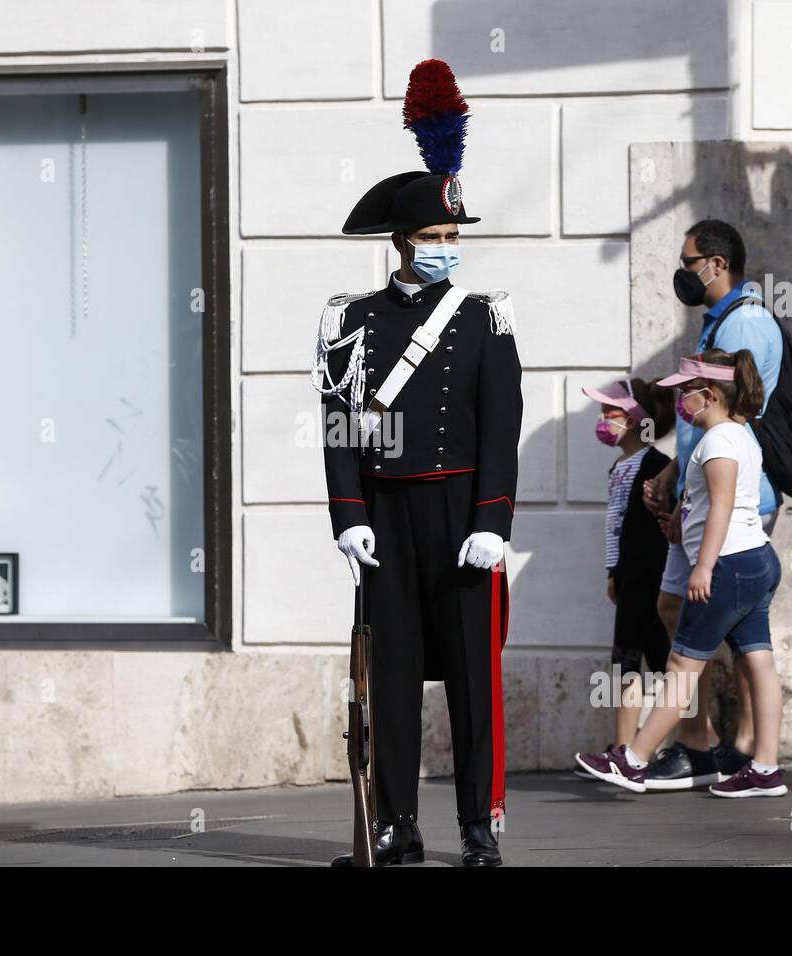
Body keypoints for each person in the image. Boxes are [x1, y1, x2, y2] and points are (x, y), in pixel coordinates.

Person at [314, 60, 523, 866]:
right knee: (393, 675)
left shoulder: (484, 321)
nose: (446, 250)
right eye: (434, 238)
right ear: (401, 243)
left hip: (463, 514)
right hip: (389, 516)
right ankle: (396, 824)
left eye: (453, 237)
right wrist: (349, 515)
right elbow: (339, 427)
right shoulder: (350, 323)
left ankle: (479, 828)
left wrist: (494, 521)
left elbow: (501, 426)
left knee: (473, 678)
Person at [576, 349, 787, 797]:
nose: (678, 403)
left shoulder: (717, 441)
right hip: (755, 561)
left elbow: (724, 505)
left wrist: (704, 564)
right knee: (759, 661)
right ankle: (766, 767)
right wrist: (678, 528)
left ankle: (633, 760)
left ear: (708, 394)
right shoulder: (740, 434)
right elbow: (714, 503)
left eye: (684, 393)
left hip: (728, 565)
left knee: (681, 665)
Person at [639, 219, 784, 790]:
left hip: (732, 505)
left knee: (694, 637)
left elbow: (723, 421)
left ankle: (713, 745)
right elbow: (707, 423)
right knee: (713, 625)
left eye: (689, 260)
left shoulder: (745, 322)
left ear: (717, 264)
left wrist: (701, 538)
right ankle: (729, 749)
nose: (683, 271)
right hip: (710, 495)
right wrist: (677, 474)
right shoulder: (721, 321)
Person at [579, 378, 673, 762]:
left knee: (640, 662)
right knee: (640, 661)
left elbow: (659, 529)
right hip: (629, 578)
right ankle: (629, 747)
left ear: (635, 419)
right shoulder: (619, 467)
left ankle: (629, 749)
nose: (603, 421)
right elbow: (616, 525)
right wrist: (612, 571)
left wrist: (635, 574)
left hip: (651, 579)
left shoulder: (657, 466)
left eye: (610, 413)